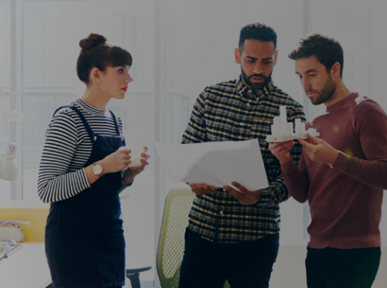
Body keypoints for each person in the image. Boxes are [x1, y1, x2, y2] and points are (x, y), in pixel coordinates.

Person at [177, 23, 305, 288]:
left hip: (255, 241)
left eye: (267, 61)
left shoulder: (291, 112)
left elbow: (293, 182)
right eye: (251, 60)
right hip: (203, 232)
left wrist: (260, 196)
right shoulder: (210, 98)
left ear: (276, 58)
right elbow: (186, 154)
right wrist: (194, 181)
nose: (258, 69)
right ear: (238, 56)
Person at [270, 34, 387, 288]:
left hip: (355, 253)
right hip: (317, 250)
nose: (305, 84)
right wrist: (285, 160)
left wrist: (336, 159)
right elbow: (302, 194)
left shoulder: (365, 111)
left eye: (312, 74)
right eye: (299, 76)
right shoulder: (314, 124)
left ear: (335, 69)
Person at [38, 33, 150, 288]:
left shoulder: (114, 120)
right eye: (121, 70)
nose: (129, 78)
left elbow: (107, 189)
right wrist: (101, 167)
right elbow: (46, 189)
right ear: (97, 75)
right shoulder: (68, 119)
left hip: (110, 233)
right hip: (72, 239)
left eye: (128, 70)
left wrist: (128, 176)